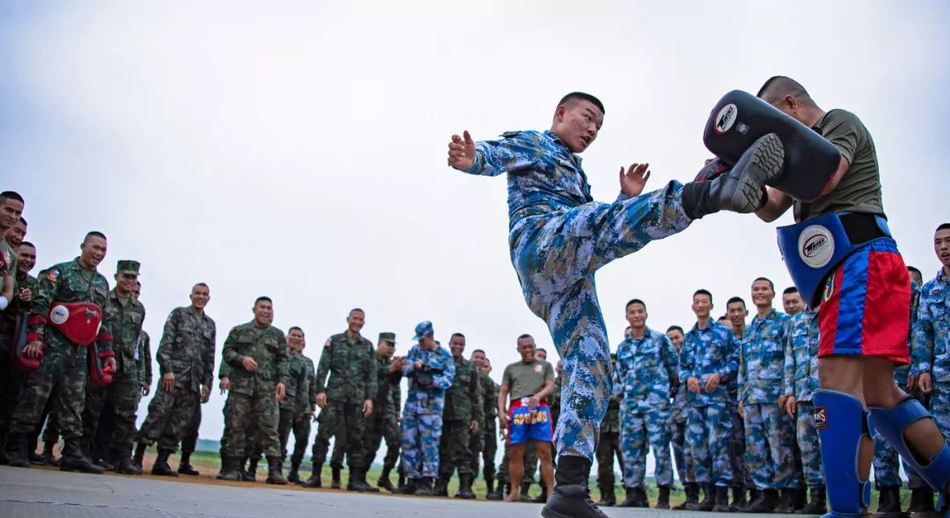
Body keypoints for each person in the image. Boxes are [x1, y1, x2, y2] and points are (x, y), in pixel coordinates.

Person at [447, 92, 785, 518]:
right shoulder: (537, 143)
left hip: (565, 279)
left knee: (593, 366)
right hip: (541, 245)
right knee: (601, 222)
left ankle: (568, 489)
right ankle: (713, 190)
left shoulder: (576, 174)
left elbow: (604, 233)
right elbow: (498, 154)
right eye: (586, 119)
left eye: (598, 127)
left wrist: (625, 201)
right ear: (560, 113)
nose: (591, 130)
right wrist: (473, 156)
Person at [755, 76, 950, 516]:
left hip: (861, 261)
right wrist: (742, 177)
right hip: (848, 270)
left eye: (774, 120)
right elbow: (770, 208)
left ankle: (845, 511)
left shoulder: (836, 123)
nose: (774, 134)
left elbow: (826, 178)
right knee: (881, 396)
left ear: (791, 103)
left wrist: (768, 164)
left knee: (836, 388)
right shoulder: (795, 158)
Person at [3, 231, 116, 474]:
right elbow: (41, 304)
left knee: (74, 401)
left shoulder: (102, 283)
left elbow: (102, 321)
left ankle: (72, 452)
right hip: (52, 346)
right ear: (82, 246)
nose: (99, 253)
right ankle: (16, 447)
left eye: (103, 250)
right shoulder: (59, 273)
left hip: (79, 352)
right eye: (95, 248)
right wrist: (35, 337)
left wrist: (108, 355)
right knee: (35, 395)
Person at [133, 283, 215, 475]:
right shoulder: (178, 314)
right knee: (157, 416)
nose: (201, 297)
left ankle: (162, 461)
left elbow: (209, 357)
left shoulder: (210, 324)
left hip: (192, 383)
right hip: (172, 379)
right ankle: (137, 457)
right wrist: (167, 370)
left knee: (179, 424)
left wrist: (207, 384)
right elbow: (165, 346)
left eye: (204, 294)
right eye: (197, 293)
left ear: (208, 298)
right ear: (191, 295)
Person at [81, 260, 146, 475]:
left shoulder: (139, 308)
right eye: (125, 276)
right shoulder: (104, 300)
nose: (129, 281)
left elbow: (136, 342)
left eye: (133, 278)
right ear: (117, 276)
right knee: (92, 410)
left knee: (127, 415)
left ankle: (122, 458)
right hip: (102, 363)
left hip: (127, 368)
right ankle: (84, 454)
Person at [301, 308, 377, 491]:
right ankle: (316, 475)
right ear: (348, 320)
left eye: (361, 320)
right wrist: (319, 391)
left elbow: (372, 375)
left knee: (356, 439)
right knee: (323, 435)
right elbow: (323, 367)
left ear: (364, 323)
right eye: (355, 318)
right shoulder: (334, 341)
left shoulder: (367, 346)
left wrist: (369, 398)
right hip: (334, 396)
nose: (357, 322)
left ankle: (354, 480)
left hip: (356, 399)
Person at [216, 296, 289, 484]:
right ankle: (232, 468)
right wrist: (241, 359)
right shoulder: (239, 331)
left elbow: (283, 360)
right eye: (262, 307)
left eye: (269, 308)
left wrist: (282, 381)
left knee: (270, 428)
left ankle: (275, 471)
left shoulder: (278, 335)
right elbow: (227, 352)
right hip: (241, 388)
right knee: (236, 426)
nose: (266, 311)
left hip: (266, 389)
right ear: (254, 309)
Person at [738, 277, 796, 512]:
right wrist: (741, 397)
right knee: (755, 449)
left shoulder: (783, 323)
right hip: (752, 399)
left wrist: (787, 390)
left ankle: (788, 495)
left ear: (772, 293)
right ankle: (765, 493)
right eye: (755, 289)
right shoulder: (750, 329)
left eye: (764, 289)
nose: (759, 293)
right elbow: (744, 365)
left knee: (779, 446)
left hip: (775, 397)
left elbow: (790, 358)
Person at [614, 299, 677, 509]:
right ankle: (634, 493)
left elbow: (673, 367)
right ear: (627, 317)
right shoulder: (623, 347)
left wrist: (667, 392)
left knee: (661, 449)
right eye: (632, 312)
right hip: (631, 407)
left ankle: (664, 495)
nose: (637, 315)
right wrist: (620, 395)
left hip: (656, 406)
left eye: (640, 311)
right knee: (631, 450)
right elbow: (619, 376)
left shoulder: (660, 340)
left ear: (646, 314)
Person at [679, 289, 738, 511]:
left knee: (718, 445)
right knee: (698, 447)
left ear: (711, 306)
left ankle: (722, 496)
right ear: (693, 307)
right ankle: (707, 495)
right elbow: (682, 366)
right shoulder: (689, 337)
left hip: (717, 400)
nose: (701, 305)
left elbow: (735, 360)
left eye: (705, 302)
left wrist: (720, 374)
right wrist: (688, 378)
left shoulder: (724, 333)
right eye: (697, 302)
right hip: (695, 402)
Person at [909, 223, 950, 514]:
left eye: (948, 241)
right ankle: (946, 500)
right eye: (938, 243)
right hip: (942, 380)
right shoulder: (930, 290)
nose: (943, 247)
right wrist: (923, 368)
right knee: (942, 443)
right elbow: (923, 331)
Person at [394, 321, 455, 496]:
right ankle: (411, 479)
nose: (420, 343)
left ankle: (427, 481)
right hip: (412, 404)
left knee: (429, 444)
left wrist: (432, 380)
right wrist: (414, 366)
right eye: (419, 339)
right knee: (408, 441)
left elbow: (449, 379)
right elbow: (404, 370)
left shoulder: (444, 355)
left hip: (432, 406)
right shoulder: (415, 350)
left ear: (430, 337)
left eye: (423, 339)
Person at [497, 334, 556, 503]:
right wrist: (501, 412)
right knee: (515, 452)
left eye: (531, 346)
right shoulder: (511, 368)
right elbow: (503, 391)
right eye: (524, 347)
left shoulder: (545, 366)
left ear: (535, 346)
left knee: (545, 452)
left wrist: (538, 396)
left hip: (540, 409)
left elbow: (550, 386)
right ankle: (514, 491)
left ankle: (551, 493)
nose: (528, 350)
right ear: (519, 349)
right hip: (518, 410)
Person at [434, 333, 483, 498]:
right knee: (444, 451)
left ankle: (465, 487)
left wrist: (476, 418)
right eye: (455, 343)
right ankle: (441, 485)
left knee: (463, 450)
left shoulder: (470, 368)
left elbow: (475, 395)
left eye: (461, 344)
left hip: (463, 416)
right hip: (442, 415)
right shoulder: (442, 364)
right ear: (449, 343)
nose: (458, 347)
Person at [362, 332, 404, 491]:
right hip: (371, 405)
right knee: (369, 444)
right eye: (388, 344)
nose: (391, 348)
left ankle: (385, 476)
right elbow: (370, 375)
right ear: (379, 343)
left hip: (387, 408)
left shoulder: (391, 363)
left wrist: (398, 370)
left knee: (395, 442)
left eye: (394, 346)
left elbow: (395, 386)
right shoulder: (370, 357)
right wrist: (391, 368)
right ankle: (361, 477)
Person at [667, 325, 697, 510]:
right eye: (670, 339)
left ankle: (699, 494)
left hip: (694, 412)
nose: (675, 342)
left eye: (677, 337)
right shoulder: (669, 363)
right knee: (679, 454)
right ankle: (689, 494)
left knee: (692, 453)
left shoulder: (692, 358)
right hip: (676, 414)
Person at [725, 296, 751, 509]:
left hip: (754, 399)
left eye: (738, 310)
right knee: (734, 450)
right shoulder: (724, 339)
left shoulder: (752, 335)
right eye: (731, 311)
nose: (735, 315)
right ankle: (739, 495)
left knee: (756, 448)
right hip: (730, 402)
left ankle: (766, 496)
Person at [280, 327, 315, 483]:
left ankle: (294, 471)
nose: (296, 339)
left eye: (299, 336)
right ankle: (276, 469)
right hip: (283, 404)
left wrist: (312, 407)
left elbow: (311, 386)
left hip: (303, 407)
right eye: (293, 335)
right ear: (287, 337)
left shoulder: (308, 363)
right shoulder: (280, 356)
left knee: (302, 440)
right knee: (281, 438)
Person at [594, 353, 622, 507]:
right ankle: (607, 495)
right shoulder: (597, 381)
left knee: (627, 462)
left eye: (613, 364)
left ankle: (635, 494)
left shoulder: (621, 379)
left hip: (620, 426)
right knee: (604, 463)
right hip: (603, 429)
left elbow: (620, 398)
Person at [470, 349, 498, 497]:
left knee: (489, 457)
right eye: (477, 358)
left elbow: (492, 405)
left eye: (485, 363)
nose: (481, 365)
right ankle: (467, 486)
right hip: (471, 423)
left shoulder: (491, 384)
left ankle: (490, 489)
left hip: (488, 424)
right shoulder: (469, 378)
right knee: (471, 455)